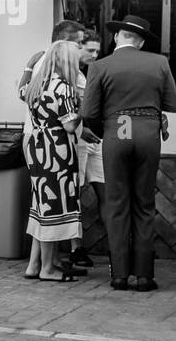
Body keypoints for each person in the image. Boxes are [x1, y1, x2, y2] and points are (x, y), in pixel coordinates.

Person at [82, 15, 176, 292]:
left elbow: (88, 112)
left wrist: (103, 128)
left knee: (116, 203)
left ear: (117, 37)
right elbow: (172, 102)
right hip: (147, 133)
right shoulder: (159, 62)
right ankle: (144, 276)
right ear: (142, 41)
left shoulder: (100, 66)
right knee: (144, 205)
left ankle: (119, 275)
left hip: (117, 132)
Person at [23, 39, 85, 282]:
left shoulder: (36, 84)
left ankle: (34, 265)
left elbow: (21, 90)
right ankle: (48, 269)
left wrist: (28, 67)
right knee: (54, 208)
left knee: (42, 205)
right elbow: (69, 125)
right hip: (57, 151)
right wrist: (84, 109)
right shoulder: (64, 88)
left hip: (37, 148)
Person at [70, 31, 106, 267]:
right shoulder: (69, 71)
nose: (94, 55)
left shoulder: (91, 71)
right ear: (78, 47)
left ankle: (118, 245)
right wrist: (79, 129)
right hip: (79, 137)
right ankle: (76, 248)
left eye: (97, 51)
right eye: (90, 50)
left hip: (98, 137)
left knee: (106, 190)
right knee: (75, 194)